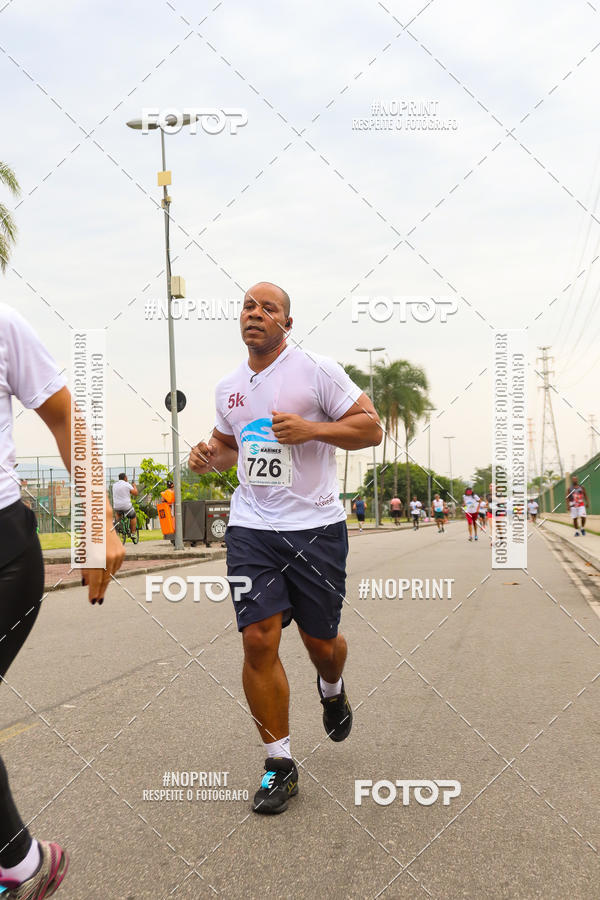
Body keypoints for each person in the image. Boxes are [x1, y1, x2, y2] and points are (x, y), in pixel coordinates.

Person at [189, 281, 381, 815]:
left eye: (267, 308)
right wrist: (207, 456)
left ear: (287, 323)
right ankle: (280, 764)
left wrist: (311, 429)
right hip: (252, 528)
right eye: (247, 306)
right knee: (257, 639)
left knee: (323, 644)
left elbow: (371, 428)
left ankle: (332, 686)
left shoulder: (317, 370)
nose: (255, 313)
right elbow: (228, 446)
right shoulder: (229, 386)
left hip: (316, 528)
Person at [0, 304, 125, 897]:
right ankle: (19, 862)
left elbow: (66, 419)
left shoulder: (3, 325)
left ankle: (20, 865)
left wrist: (97, 519)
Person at [112, 472, 138, 538]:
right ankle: (133, 533)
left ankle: (117, 527)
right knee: (133, 516)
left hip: (116, 506)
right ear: (125, 478)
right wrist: (134, 486)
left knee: (118, 514)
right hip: (126, 506)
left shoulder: (114, 485)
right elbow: (135, 493)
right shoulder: (127, 484)